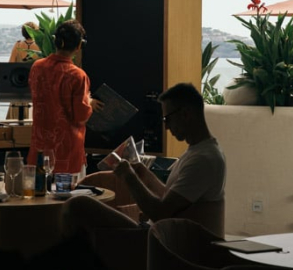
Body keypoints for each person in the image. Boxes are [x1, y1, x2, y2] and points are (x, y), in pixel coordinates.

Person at [63, 82, 226, 237]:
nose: (166, 127)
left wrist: (129, 177)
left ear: (186, 114)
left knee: (78, 204)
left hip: (158, 239)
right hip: (156, 232)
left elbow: (160, 213)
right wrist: (145, 174)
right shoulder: (198, 152)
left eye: (167, 119)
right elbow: (169, 198)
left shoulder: (203, 160)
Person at [27, 19, 103, 178]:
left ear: (55, 41)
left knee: (39, 193)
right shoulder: (78, 76)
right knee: (69, 194)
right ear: (79, 45)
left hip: (39, 152)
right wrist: (89, 102)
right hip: (68, 155)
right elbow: (80, 116)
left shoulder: (37, 67)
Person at [6, 22, 40, 120]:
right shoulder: (39, 46)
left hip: (18, 84)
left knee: (15, 117)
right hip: (33, 84)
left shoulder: (18, 45)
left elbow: (10, 64)